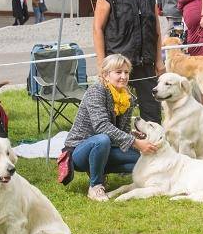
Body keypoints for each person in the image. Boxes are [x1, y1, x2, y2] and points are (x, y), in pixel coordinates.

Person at [63, 54, 159, 201]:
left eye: (126, 72)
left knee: (144, 158)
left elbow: (123, 132)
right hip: (79, 150)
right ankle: (95, 186)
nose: (124, 76)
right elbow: (102, 126)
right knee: (102, 139)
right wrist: (135, 143)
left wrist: (136, 137)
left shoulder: (128, 98)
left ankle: (100, 170)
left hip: (108, 147)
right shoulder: (97, 91)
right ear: (106, 75)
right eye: (118, 72)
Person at [93, 0, 164, 123]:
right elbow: (98, 28)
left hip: (145, 61)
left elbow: (155, 26)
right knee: (116, 113)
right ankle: (117, 149)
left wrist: (158, 59)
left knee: (153, 112)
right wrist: (102, 65)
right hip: (118, 63)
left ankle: (152, 148)